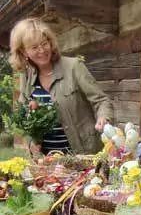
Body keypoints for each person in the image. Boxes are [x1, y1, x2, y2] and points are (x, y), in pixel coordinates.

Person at [9, 17, 113, 156]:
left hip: (83, 154)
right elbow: (25, 117)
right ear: (23, 52)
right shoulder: (26, 77)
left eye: (44, 43)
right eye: (34, 47)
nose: (42, 50)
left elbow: (101, 100)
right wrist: (31, 143)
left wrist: (103, 118)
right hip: (48, 160)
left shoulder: (73, 67)